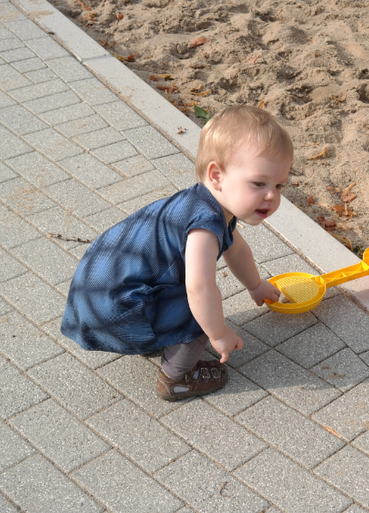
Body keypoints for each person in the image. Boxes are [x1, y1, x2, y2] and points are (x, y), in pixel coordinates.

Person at [61, 105, 293, 401]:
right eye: (259, 183)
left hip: (95, 296)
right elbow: (200, 289)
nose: (272, 195)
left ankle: (156, 329)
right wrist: (218, 333)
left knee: (198, 301)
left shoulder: (200, 203)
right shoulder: (204, 228)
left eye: (279, 185)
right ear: (217, 176)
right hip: (114, 310)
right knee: (203, 306)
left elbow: (237, 250)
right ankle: (177, 378)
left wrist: (256, 285)